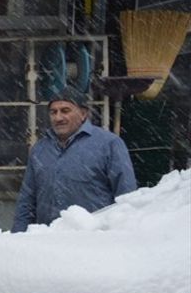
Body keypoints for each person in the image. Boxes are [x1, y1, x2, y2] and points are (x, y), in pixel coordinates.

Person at [12, 87, 136, 232]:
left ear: (83, 114)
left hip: (92, 240)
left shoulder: (109, 144)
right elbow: (27, 200)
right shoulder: (40, 149)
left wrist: (121, 236)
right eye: (53, 112)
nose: (58, 118)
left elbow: (127, 198)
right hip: (47, 240)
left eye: (65, 111)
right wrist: (17, 236)